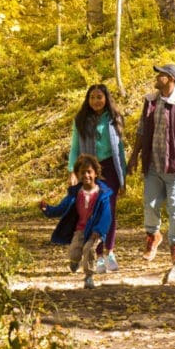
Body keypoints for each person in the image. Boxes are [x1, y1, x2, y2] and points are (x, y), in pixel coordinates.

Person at [127, 63, 175, 265]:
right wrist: (134, 156)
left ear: (171, 79)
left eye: (161, 75)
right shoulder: (151, 101)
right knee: (149, 205)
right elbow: (141, 131)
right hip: (153, 164)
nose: (157, 77)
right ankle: (153, 236)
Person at [68, 83, 126, 274]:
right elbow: (75, 148)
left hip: (110, 167)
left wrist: (122, 177)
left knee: (110, 209)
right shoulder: (81, 120)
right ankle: (97, 255)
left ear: (106, 99)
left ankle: (110, 252)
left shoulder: (115, 118)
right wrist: (72, 172)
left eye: (99, 97)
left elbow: (120, 150)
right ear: (88, 100)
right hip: (89, 169)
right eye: (92, 97)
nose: (96, 101)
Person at [39, 154, 112, 289]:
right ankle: (75, 261)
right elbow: (61, 208)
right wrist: (47, 209)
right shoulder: (75, 194)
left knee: (89, 249)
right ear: (78, 175)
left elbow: (107, 216)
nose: (86, 175)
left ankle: (89, 276)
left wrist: (99, 230)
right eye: (82, 172)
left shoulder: (103, 194)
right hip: (80, 230)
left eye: (89, 172)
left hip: (94, 231)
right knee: (74, 253)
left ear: (95, 173)